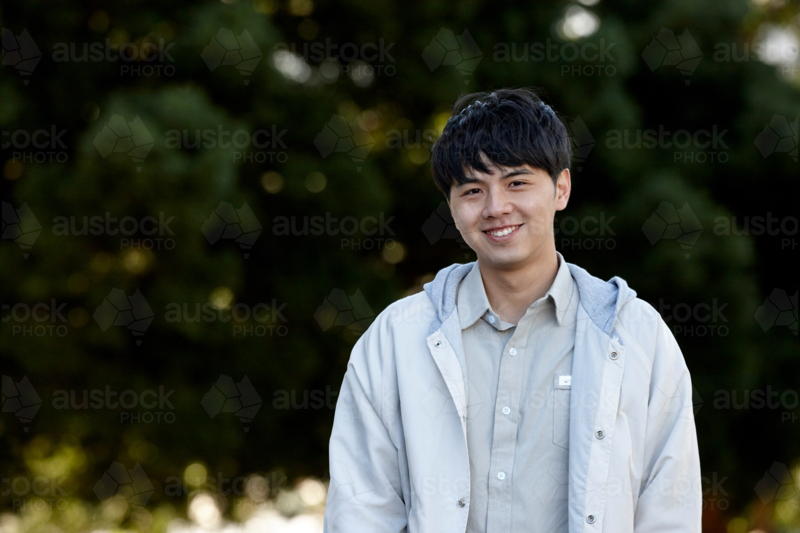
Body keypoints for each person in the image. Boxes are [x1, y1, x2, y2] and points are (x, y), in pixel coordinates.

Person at [323, 88, 702, 532]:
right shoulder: (394, 340)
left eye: (517, 183)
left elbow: (669, 510)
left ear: (561, 188)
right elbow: (361, 512)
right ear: (451, 206)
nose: (496, 207)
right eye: (472, 190)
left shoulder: (637, 335)